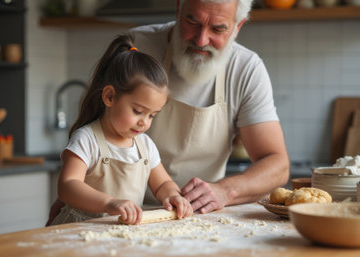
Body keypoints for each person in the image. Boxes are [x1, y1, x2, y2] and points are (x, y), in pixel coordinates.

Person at [46, 0, 289, 225]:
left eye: (218, 29)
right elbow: (73, 179)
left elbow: (277, 163)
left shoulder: (246, 68)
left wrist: (222, 191)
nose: (202, 39)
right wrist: (79, 199)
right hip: (108, 220)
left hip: (179, 218)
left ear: (238, 27)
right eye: (192, 22)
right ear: (178, 9)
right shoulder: (135, 47)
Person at [48, 34, 193, 226]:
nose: (144, 123)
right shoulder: (87, 139)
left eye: (152, 115)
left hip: (120, 235)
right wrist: (110, 203)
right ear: (109, 97)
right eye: (138, 111)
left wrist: (174, 195)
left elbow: (163, 184)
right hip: (79, 231)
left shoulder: (145, 146)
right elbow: (68, 185)